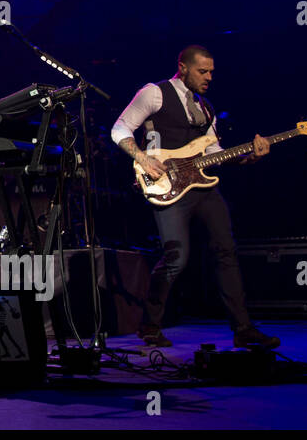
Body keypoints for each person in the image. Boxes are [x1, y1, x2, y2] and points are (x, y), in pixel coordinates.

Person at [111, 44, 279, 348]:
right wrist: (142, 158)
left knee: (226, 250)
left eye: (212, 71)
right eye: (203, 71)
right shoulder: (155, 92)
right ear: (183, 67)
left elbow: (214, 154)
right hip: (167, 185)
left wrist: (247, 157)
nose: (209, 77)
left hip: (203, 187)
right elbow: (120, 128)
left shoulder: (207, 107)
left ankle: (243, 329)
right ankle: (150, 323)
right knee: (177, 257)